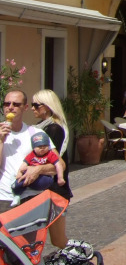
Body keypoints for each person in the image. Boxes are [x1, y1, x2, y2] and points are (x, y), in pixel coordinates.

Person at [0, 91, 58, 213]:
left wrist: (38, 169)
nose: (10, 107)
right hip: (4, 199)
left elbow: (59, 166)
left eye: (16, 104)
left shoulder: (36, 133)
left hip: (31, 198)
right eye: (6, 104)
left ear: (25, 107)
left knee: (32, 233)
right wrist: (0, 141)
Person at [30, 89, 73, 247]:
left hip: (55, 191)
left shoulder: (53, 129)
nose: (32, 108)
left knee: (58, 240)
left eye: (36, 105)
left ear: (47, 107)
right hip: (44, 191)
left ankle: (84, 255)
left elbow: (54, 161)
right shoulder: (41, 128)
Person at [11, 130, 65, 207]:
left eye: (45, 146)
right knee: (24, 177)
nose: (42, 149)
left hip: (44, 179)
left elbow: (59, 165)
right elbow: (24, 164)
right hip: (30, 180)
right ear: (34, 148)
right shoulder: (31, 155)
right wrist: (19, 173)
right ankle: (17, 193)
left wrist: (60, 178)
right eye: (39, 147)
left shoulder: (50, 154)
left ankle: (18, 186)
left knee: (38, 180)